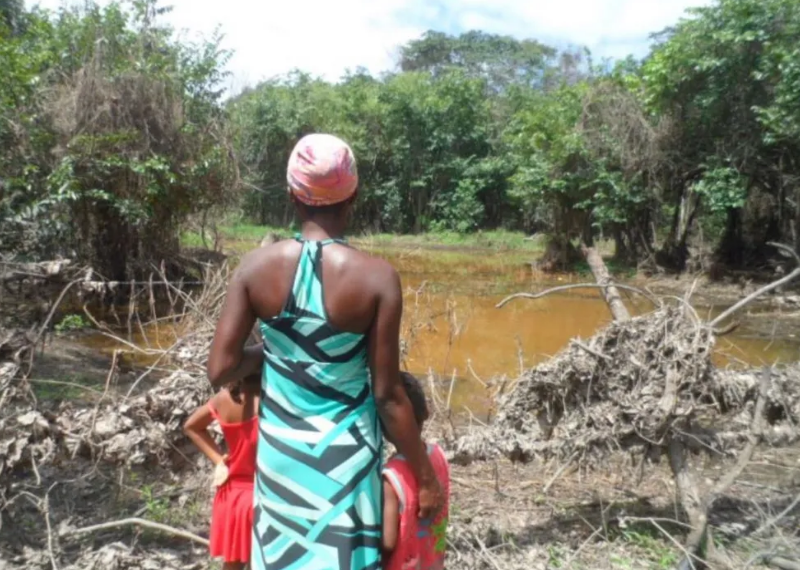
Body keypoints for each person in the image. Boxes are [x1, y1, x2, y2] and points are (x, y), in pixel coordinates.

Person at [206, 133, 444, 570]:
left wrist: (273, 355)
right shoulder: (376, 279)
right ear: (351, 196)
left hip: (282, 458)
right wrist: (425, 477)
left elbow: (220, 368)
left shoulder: (254, 269)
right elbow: (388, 396)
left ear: (294, 196)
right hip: (346, 463)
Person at [183, 375, 260, 570]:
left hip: (232, 493)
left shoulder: (223, 398)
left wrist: (219, 460)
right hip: (260, 493)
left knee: (232, 563)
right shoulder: (272, 398)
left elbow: (191, 426)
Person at [382, 372, 450, 570]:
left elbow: (388, 541)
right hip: (433, 562)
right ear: (426, 412)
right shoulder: (439, 455)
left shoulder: (391, 476)